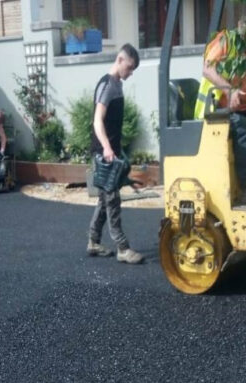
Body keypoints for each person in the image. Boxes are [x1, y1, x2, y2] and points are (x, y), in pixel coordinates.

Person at [194, 9, 246, 207]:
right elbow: (207, 69)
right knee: (243, 128)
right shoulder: (225, 41)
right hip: (220, 110)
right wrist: (230, 92)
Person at [87, 43, 144, 265]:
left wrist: (118, 153)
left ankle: (93, 242)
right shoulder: (107, 85)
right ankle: (122, 248)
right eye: (129, 68)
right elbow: (97, 121)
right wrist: (107, 148)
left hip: (112, 153)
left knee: (103, 200)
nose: (130, 73)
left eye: (132, 70)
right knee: (112, 201)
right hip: (104, 154)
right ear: (120, 60)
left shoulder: (117, 85)